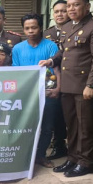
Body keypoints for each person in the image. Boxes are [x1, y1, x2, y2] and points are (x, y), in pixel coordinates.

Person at [43, 0, 93, 177]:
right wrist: (51, 61)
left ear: (87, 7)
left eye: (76, 5)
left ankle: (86, 161)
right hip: (67, 85)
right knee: (71, 125)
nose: (71, 9)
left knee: (85, 126)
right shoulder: (67, 26)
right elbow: (63, 51)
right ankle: (73, 158)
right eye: (69, 5)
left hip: (84, 86)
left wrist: (92, 84)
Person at [13, 13, 60, 168]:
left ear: (40, 28)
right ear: (23, 30)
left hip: (47, 92)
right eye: (27, 28)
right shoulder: (17, 49)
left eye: (34, 27)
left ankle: (41, 156)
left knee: (47, 127)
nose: (30, 31)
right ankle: (26, 156)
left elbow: (57, 69)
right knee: (27, 126)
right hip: (26, 94)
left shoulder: (51, 46)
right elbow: (16, 72)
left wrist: (57, 89)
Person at [42, 0, 69, 160]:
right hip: (52, 78)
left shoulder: (73, 29)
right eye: (57, 11)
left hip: (71, 76)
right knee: (55, 113)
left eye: (63, 11)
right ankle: (58, 144)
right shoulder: (47, 33)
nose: (60, 14)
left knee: (68, 114)